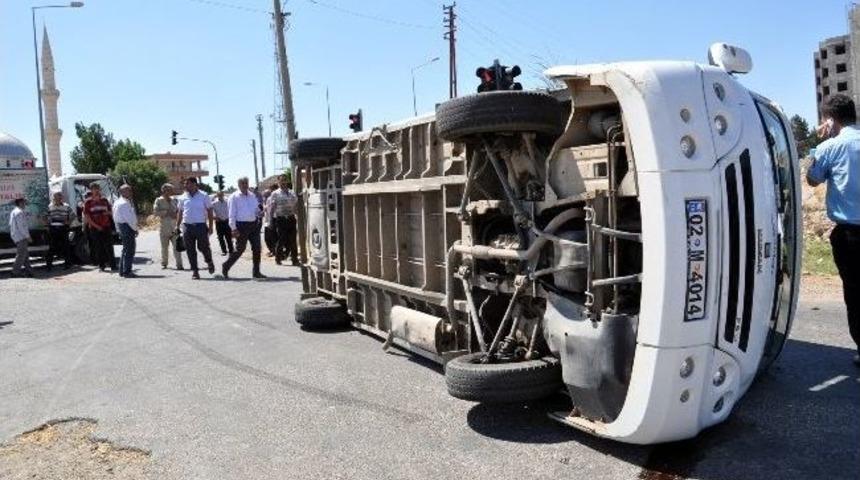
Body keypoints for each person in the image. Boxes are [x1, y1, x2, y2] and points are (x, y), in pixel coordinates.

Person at [807, 93, 860, 367]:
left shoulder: (830, 147)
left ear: (829, 119)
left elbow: (812, 179)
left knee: (855, 291)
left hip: (851, 235)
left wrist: (819, 146)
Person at [221, 176, 266, 279]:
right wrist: (233, 228)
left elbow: (256, 209)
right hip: (241, 226)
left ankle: (256, 272)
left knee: (257, 248)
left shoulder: (252, 195)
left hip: (254, 225)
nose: (245, 185)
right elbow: (231, 214)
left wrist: (260, 212)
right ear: (239, 185)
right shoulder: (234, 197)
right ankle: (226, 265)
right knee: (240, 249)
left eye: (246, 183)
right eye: (243, 183)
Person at [176, 177, 215, 280]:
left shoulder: (204, 195)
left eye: (187, 183)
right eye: (185, 184)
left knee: (203, 247)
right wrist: (177, 225)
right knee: (190, 250)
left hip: (200, 226)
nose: (185, 185)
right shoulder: (182, 197)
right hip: (187, 226)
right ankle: (195, 271)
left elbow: (210, 211)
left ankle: (209, 261)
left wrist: (211, 226)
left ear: (194, 184)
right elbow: (180, 212)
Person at [82, 182, 116, 271]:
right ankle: (102, 266)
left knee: (109, 246)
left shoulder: (105, 200)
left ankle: (113, 265)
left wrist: (107, 213)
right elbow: (87, 217)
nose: (96, 190)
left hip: (106, 226)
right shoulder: (88, 202)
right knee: (98, 247)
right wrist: (97, 226)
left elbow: (111, 212)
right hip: (94, 228)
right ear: (91, 190)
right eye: (94, 189)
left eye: (97, 188)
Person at [152, 183, 184, 270]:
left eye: (171, 190)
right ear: (164, 190)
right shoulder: (158, 200)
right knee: (164, 247)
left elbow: (179, 211)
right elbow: (155, 212)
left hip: (174, 226)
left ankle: (179, 265)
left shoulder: (175, 200)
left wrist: (176, 215)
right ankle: (164, 263)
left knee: (177, 247)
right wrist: (166, 212)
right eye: (169, 190)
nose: (171, 192)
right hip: (164, 228)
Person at [269, 175, 299, 265]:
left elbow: (295, 205)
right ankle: (278, 258)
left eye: (285, 180)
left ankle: (294, 259)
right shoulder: (275, 193)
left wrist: (297, 216)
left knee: (293, 240)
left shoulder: (292, 192)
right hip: (281, 219)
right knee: (281, 239)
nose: (283, 182)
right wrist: (270, 220)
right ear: (278, 182)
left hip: (291, 218)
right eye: (281, 181)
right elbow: (272, 208)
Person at [112, 184, 138, 278]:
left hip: (123, 227)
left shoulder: (118, 202)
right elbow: (129, 219)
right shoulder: (124, 203)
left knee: (125, 249)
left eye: (130, 190)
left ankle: (122, 270)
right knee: (130, 250)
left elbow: (115, 217)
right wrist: (135, 229)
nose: (130, 192)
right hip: (127, 227)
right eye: (128, 190)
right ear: (122, 192)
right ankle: (127, 271)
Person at [46, 192, 74, 270]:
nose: (57, 199)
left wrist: (69, 222)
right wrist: (47, 225)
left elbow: (73, 215)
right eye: (55, 197)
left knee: (66, 246)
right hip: (53, 229)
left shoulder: (66, 206)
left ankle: (67, 264)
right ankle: (49, 265)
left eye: (59, 197)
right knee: (52, 247)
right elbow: (45, 215)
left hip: (63, 228)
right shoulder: (50, 206)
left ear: (61, 198)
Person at [9, 197, 33, 278]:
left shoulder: (15, 211)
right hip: (21, 236)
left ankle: (29, 271)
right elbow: (21, 227)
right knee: (21, 255)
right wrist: (27, 236)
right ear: (20, 203)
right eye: (24, 202)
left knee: (25, 255)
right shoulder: (19, 212)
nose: (25, 204)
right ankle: (15, 272)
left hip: (18, 236)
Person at [211, 190, 234, 256]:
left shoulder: (227, 202)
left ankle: (231, 250)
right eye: (219, 195)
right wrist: (214, 217)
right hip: (219, 222)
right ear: (217, 195)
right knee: (220, 237)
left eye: (221, 195)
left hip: (227, 221)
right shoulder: (214, 203)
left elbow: (231, 210)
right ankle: (224, 251)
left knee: (228, 237)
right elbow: (210, 212)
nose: (220, 196)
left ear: (223, 195)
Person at [262, 185, 278, 257]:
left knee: (273, 237)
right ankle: (272, 250)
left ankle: (274, 251)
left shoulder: (275, 198)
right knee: (267, 238)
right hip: (267, 220)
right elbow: (267, 209)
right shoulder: (268, 199)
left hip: (273, 220)